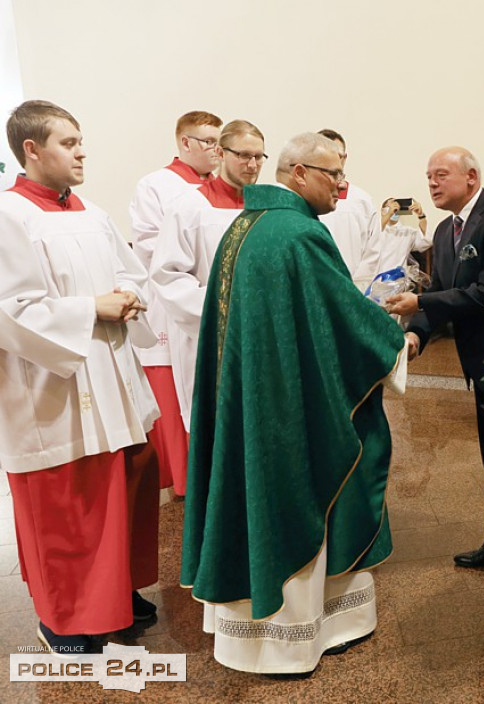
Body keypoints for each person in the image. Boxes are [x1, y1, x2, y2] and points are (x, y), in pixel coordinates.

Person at [180, 132, 409, 675]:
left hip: (251, 398)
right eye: (334, 175)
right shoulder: (299, 235)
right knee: (302, 487)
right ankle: (291, 636)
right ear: (299, 173)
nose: (344, 186)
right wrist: (397, 342)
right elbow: (343, 315)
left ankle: (249, 631)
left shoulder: (246, 226)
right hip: (285, 410)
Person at [0, 100, 160, 656]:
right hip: (54, 389)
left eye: (80, 139)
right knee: (66, 506)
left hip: (113, 378)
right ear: (32, 149)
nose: (82, 150)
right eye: (68, 142)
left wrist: (130, 294)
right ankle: (63, 619)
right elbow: (10, 310)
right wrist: (93, 307)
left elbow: (128, 269)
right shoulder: (9, 216)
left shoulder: (90, 212)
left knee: (124, 482)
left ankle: (114, 591)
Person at [387, 146, 484, 599]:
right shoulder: (443, 230)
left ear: (471, 177)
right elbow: (441, 290)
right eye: (428, 175)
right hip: (479, 363)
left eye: (441, 174)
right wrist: (417, 333)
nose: (432, 183)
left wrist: (420, 304)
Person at [149, 120, 266, 446]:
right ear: (219, 152)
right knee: (218, 429)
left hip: (260, 333)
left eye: (259, 156)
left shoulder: (267, 208)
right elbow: (168, 275)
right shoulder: (188, 208)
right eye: (243, 155)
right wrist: (225, 307)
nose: (252, 164)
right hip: (212, 333)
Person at [129, 110, 221, 495]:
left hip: (214, 297)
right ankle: (185, 482)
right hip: (173, 304)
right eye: (209, 142)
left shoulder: (222, 188)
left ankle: (216, 475)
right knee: (174, 390)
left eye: (221, 141)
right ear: (185, 143)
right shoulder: (155, 185)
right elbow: (149, 244)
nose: (218, 150)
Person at [317, 128, 380, 290]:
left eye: (337, 155)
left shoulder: (362, 201)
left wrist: (354, 288)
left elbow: (373, 253)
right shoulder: (302, 198)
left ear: (344, 158)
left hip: (352, 288)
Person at [374, 197, 432, 277]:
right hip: (375, 280)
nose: (394, 210)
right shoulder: (374, 228)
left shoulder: (406, 232)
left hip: (398, 281)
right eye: (390, 207)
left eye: (397, 208)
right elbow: (372, 236)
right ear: (382, 211)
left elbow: (426, 242)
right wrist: (388, 214)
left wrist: (421, 215)